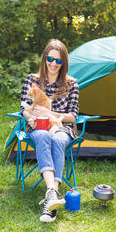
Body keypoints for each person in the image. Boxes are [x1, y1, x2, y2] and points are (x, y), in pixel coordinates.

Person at [20, 39, 79, 222]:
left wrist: (49, 112)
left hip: (62, 126)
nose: (53, 63)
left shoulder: (71, 84)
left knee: (59, 139)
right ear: (44, 58)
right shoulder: (32, 80)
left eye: (58, 61)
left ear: (64, 63)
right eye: (50, 58)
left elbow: (73, 116)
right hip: (38, 126)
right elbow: (24, 109)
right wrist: (31, 120)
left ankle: (50, 197)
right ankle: (53, 191)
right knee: (44, 135)